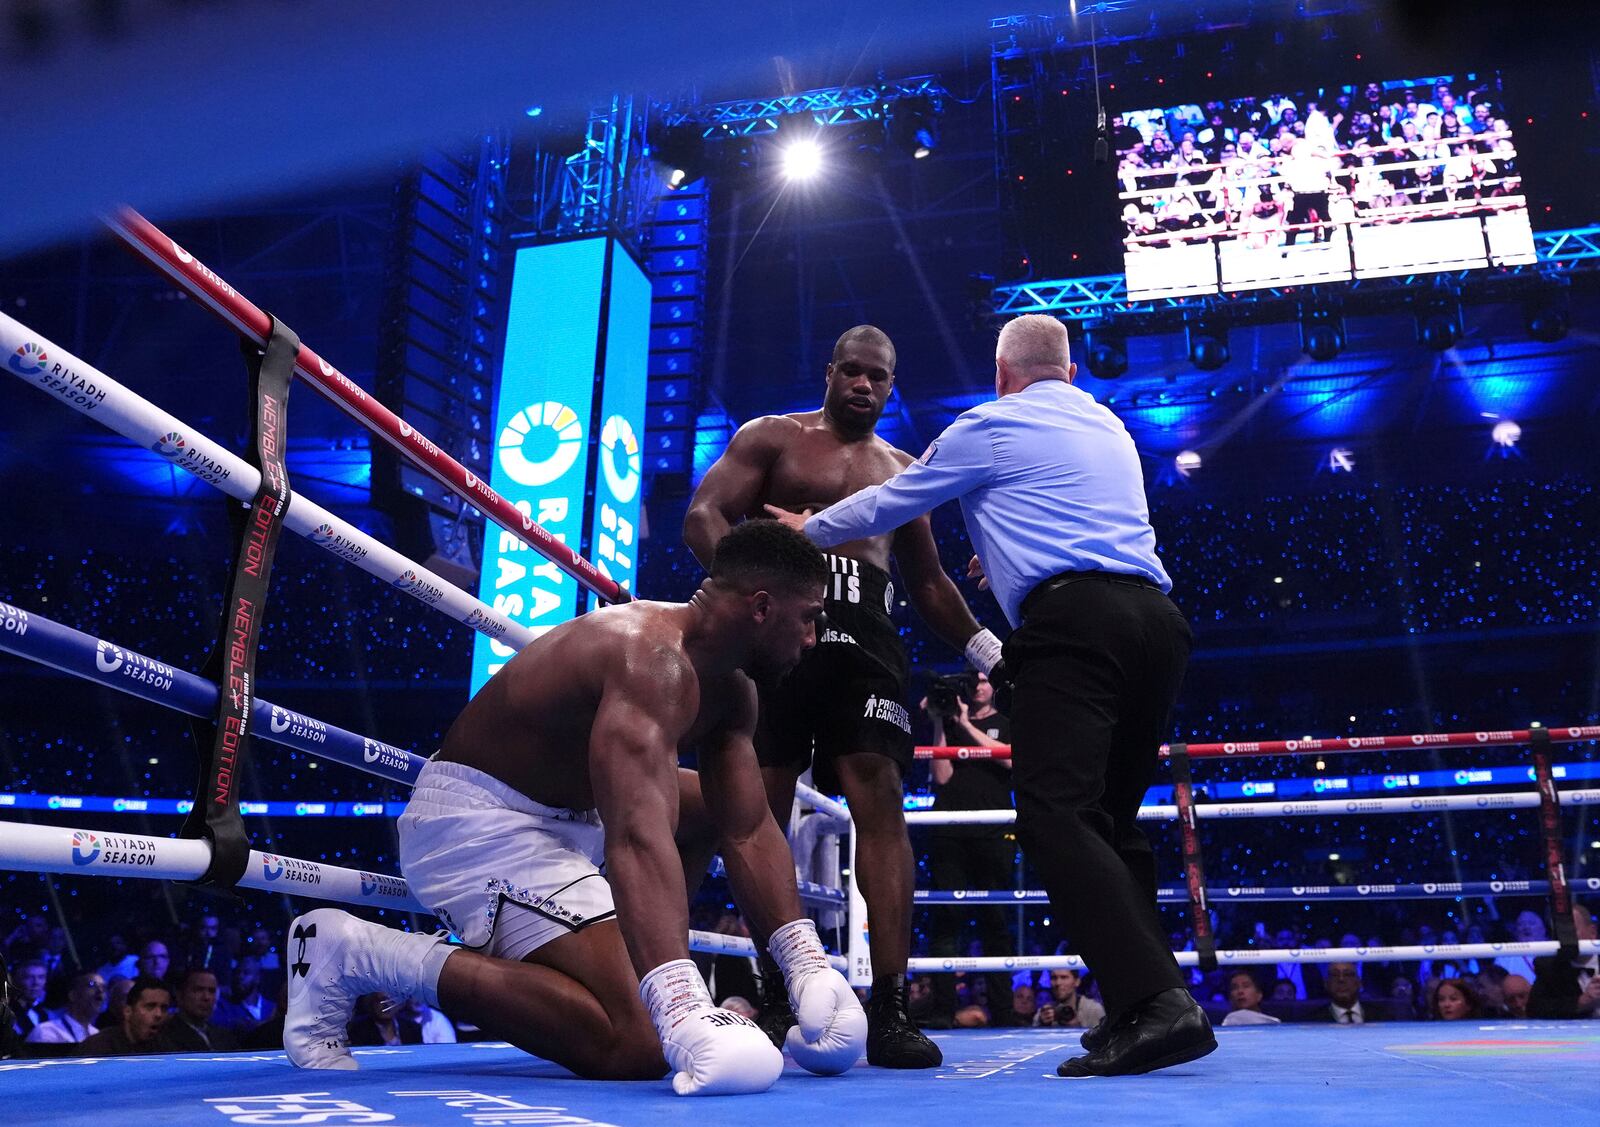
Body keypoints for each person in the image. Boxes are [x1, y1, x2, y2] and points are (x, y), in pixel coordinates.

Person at [768, 314, 1213, 1078]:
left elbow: (890, 500)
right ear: (1070, 375)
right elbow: (1070, 521)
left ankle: (1158, 1001)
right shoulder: (1109, 428)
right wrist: (1006, 564)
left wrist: (806, 531)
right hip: (1158, 628)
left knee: (1055, 816)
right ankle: (1150, 1004)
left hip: (1076, 627)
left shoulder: (990, 423)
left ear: (1003, 373)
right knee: (1111, 824)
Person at [284, 521, 866, 1096]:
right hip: (479, 826)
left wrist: (806, 964)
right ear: (762, 607)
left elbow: (747, 825)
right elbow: (636, 837)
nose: (813, 639)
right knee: (638, 1042)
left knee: (711, 804)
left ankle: (649, 962)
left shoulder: (733, 690)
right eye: (810, 618)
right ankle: (360, 950)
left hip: (567, 822)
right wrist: (680, 1004)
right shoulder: (647, 658)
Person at [684, 325, 1004, 1069]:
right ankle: (770, 991)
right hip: (773, 641)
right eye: (851, 371)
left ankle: (889, 1005)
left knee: (881, 798)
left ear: (892, 387)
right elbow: (704, 514)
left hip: (867, 643)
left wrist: (989, 649)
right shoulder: (773, 437)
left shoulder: (900, 469)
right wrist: (752, 595)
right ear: (829, 372)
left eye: (878, 376)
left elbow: (927, 581)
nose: (863, 384)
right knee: (754, 807)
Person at [922, 669, 1014, 1026]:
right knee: (946, 918)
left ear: (994, 686)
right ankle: (943, 1009)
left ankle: (1004, 1013)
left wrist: (965, 724)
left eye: (985, 680)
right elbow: (942, 777)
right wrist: (941, 722)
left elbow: (1010, 758)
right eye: (972, 681)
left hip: (994, 829)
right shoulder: (948, 723)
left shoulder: (1005, 722)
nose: (978, 686)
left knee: (995, 919)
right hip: (949, 829)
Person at [1528, 904, 1600, 1020]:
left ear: (1592, 932)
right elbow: (1535, 1010)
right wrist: (1580, 1002)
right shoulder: (1548, 967)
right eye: (1560, 933)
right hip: (1574, 1035)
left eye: (1571, 931)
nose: (1564, 938)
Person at [80, 976, 171, 1056]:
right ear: (128, 1011)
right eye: (150, 1006)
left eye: (164, 1008)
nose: (159, 1014)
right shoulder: (98, 1048)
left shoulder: (167, 1048)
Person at [158, 967, 239, 1052]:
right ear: (179, 995)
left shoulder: (224, 1037)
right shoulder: (165, 1035)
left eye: (211, 991)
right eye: (198, 990)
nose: (206, 997)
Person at [24, 970, 106, 1048]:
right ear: (73, 995)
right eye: (92, 984)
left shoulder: (96, 1034)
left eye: (103, 987)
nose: (100, 990)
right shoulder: (46, 1033)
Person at [213, 955, 275, 1033]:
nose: (240, 976)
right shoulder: (224, 1006)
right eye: (237, 972)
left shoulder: (272, 1008)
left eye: (246, 973)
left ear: (257, 978)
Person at [1035, 968, 1106, 1030]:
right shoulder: (1045, 1012)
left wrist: (1078, 1028)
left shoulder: (1093, 1009)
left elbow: (1104, 1041)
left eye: (1064, 977)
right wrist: (1042, 1025)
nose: (1058, 983)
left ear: (1077, 981)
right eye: (1054, 978)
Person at [8, 958, 50, 1038]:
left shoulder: (44, 1011)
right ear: (16, 981)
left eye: (41, 977)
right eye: (29, 977)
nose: (36, 983)